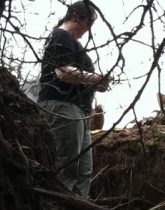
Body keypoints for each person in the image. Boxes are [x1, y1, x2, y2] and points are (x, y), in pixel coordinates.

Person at [38, 1, 111, 198]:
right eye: (89, 23)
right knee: (67, 168)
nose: (88, 30)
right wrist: (95, 79)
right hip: (63, 107)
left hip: (80, 113)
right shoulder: (60, 35)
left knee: (83, 172)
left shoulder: (73, 43)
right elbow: (63, 72)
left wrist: (98, 84)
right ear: (77, 16)